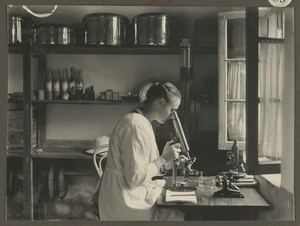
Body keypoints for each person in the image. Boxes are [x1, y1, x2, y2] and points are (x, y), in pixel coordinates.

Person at [98, 82, 185, 221]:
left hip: (129, 192)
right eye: (172, 110)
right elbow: (135, 178)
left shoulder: (142, 122)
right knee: (182, 215)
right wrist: (162, 158)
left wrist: (165, 164)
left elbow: (145, 169)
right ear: (160, 103)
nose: (172, 116)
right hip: (124, 200)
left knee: (180, 210)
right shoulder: (134, 125)